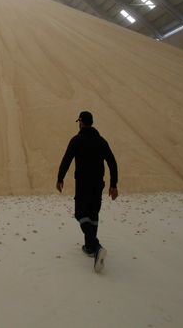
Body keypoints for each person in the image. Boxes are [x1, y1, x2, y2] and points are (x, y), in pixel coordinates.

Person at [56, 111, 118, 270]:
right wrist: (113, 184)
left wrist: (60, 178)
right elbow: (112, 162)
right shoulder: (101, 141)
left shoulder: (76, 140)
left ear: (81, 122)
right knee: (93, 214)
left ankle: (96, 247)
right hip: (98, 184)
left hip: (83, 184)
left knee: (80, 214)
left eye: (79, 122)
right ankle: (89, 247)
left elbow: (66, 159)